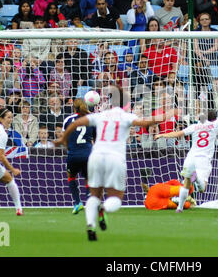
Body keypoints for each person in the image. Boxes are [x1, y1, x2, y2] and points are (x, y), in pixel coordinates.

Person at [57, 85, 177, 241]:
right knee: (116, 197)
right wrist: (166, 115)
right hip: (115, 158)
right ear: (126, 103)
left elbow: (76, 123)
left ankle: (91, 225)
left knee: (94, 194)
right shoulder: (126, 116)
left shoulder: (101, 115)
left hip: (96, 156)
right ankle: (104, 208)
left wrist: (62, 139)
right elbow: (146, 123)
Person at [154, 91, 218, 212]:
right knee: (202, 188)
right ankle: (197, 178)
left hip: (191, 157)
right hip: (203, 159)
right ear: (214, 118)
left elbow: (178, 134)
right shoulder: (215, 125)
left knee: (186, 183)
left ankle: (180, 207)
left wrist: (162, 135)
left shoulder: (194, 127)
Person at [60, 98, 96, 214]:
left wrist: (69, 148)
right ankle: (90, 202)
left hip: (73, 154)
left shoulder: (68, 120)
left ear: (74, 108)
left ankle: (77, 203)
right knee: (88, 178)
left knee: (71, 176)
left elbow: (64, 138)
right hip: (88, 154)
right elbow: (95, 139)